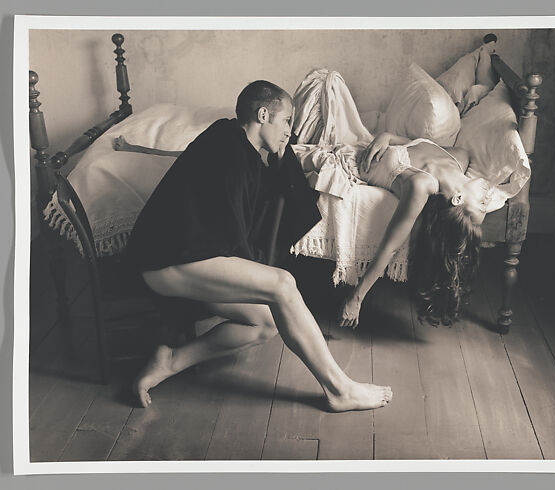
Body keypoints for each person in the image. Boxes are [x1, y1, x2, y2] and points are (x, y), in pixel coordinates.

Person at [122, 80, 393, 412]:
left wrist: (281, 159)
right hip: (165, 262)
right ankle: (339, 389)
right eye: (286, 121)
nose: (289, 132)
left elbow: (284, 202)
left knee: (264, 323)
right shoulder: (225, 145)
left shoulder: (244, 149)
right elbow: (231, 228)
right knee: (282, 285)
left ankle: (171, 361)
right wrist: (261, 276)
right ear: (263, 114)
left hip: (193, 256)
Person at [337, 132, 491, 328]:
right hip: (365, 140)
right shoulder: (460, 157)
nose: (488, 197)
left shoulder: (423, 184)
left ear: (458, 199)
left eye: (482, 204)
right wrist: (387, 137)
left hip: (349, 158)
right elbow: (411, 144)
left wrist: (356, 298)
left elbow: (390, 247)